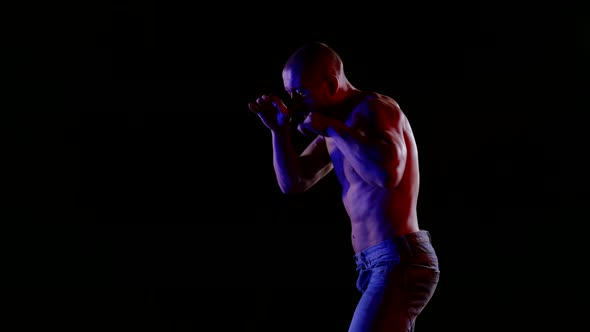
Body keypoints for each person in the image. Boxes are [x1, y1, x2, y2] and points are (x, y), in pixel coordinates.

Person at [247, 41, 440, 332]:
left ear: (330, 84)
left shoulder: (374, 108)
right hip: (373, 264)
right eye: (289, 94)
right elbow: (294, 183)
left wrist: (333, 128)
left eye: (300, 92)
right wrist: (279, 131)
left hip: (399, 260)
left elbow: (388, 175)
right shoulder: (335, 126)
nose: (294, 104)